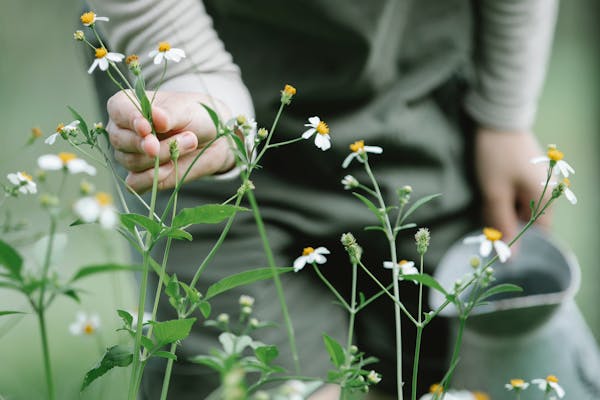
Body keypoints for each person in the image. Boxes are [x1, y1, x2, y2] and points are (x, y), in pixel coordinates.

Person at [88, 0, 558, 398]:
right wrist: (196, 78)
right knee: (251, 376)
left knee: (454, 372)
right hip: (200, 137)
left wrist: (505, 113)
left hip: (428, 116)